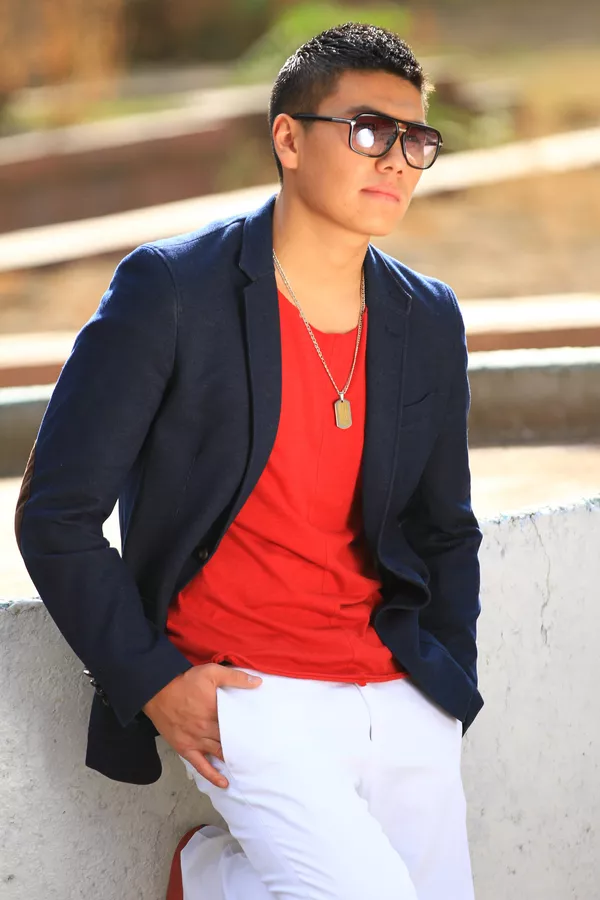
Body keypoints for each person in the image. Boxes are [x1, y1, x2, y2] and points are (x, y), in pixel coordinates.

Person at [15, 21, 484, 900]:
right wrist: (153, 682)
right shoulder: (171, 291)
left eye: (415, 140)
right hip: (251, 690)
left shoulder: (427, 317)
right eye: (369, 131)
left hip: (398, 688)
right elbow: (56, 516)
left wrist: (446, 683)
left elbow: (446, 527)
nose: (395, 160)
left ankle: (215, 881)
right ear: (288, 139)